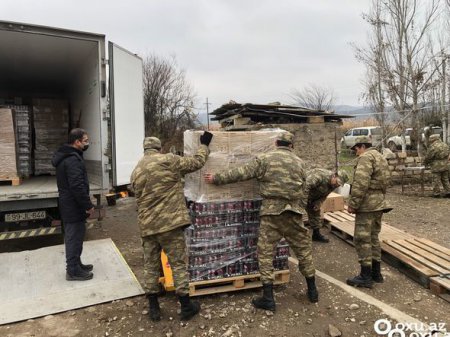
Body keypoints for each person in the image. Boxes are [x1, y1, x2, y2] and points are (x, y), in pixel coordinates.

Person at [205, 131, 318, 311]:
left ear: (275, 142)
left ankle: (268, 298)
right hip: (294, 212)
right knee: (303, 250)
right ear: (291, 146)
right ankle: (312, 291)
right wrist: (300, 207)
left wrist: (216, 178)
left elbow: (241, 173)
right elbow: (305, 188)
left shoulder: (265, 159)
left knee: (266, 253)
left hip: (272, 214)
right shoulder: (301, 163)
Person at [130, 132, 213, 322]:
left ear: (145, 150)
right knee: (177, 263)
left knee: (150, 265)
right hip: (170, 224)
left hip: (148, 226)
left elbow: (135, 192)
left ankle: (154, 309)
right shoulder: (169, 160)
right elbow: (196, 162)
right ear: (159, 149)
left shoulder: (137, 169)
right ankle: (186, 306)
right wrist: (204, 145)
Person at [346, 135, 390, 288]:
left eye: (356, 149)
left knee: (362, 239)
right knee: (373, 238)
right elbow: (386, 180)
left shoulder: (366, 158)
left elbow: (360, 183)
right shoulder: (380, 157)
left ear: (362, 146)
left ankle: (365, 276)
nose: (356, 152)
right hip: (379, 203)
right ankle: (376, 274)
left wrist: (353, 204)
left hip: (367, 205)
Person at [52, 128, 95, 281]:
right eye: (85, 141)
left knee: (77, 236)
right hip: (73, 206)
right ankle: (72, 271)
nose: (87, 143)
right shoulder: (71, 160)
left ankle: (77, 264)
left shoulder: (70, 156)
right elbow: (77, 186)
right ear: (76, 142)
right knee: (73, 238)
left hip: (71, 204)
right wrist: (88, 205)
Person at [304, 169, 348, 243]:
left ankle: (316, 235)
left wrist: (318, 203)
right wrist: (303, 202)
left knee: (316, 213)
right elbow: (305, 187)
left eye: (339, 184)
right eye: (337, 182)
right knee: (296, 215)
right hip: (301, 194)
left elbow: (324, 195)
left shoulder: (333, 185)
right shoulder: (320, 175)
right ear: (334, 176)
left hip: (312, 198)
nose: (336, 185)